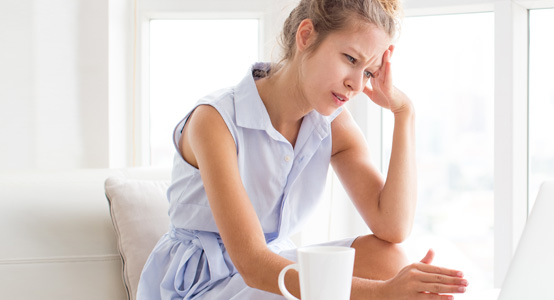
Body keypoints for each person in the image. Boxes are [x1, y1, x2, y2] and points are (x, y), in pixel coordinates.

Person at [136, 0, 469, 299]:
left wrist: (403, 112)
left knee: (389, 257)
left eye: (368, 71)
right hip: (205, 285)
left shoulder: (332, 124)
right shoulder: (215, 120)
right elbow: (252, 264)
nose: (357, 83)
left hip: (274, 268)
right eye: (350, 59)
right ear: (306, 35)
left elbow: (392, 227)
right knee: (375, 285)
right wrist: (382, 293)